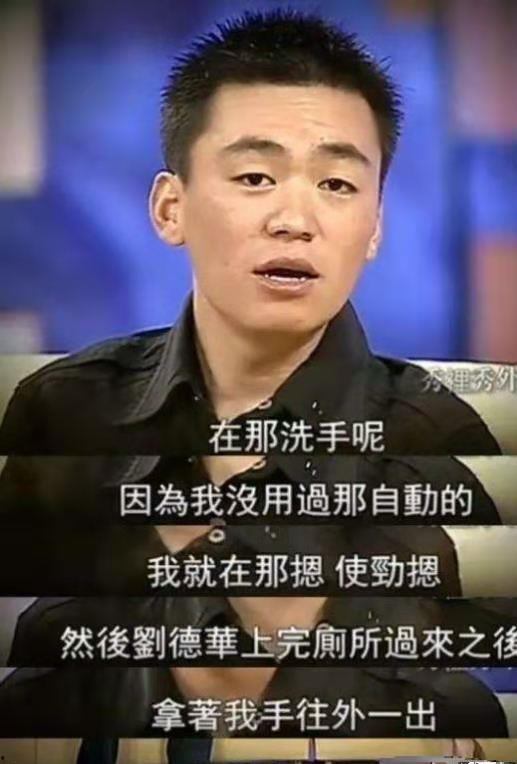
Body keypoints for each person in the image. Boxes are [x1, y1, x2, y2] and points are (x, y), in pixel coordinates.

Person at [0, 6, 510, 757]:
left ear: (374, 226)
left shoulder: (442, 441)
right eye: (254, 177)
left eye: (336, 183)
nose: (295, 218)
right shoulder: (66, 407)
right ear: (170, 208)